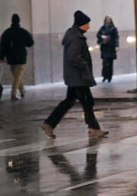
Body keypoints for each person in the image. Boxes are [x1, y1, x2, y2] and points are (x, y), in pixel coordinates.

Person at [42, 11, 107, 139]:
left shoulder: (75, 36)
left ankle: (49, 123)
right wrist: (84, 65)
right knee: (87, 101)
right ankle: (93, 128)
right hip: (78, 76)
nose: (88, 26)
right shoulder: (75, 38)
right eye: (87, 24)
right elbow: (73, 57)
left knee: (70, 101)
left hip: (76, 76)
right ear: (81, 24)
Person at [0, 13, 34, 101]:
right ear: (19, 21)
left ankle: (22, 91)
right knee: (17, 77)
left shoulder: (7, 32)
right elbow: (30, 43)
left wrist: (1, 57)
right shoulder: (23, 32)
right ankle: (13, 95)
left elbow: (2, 45)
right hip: (21, 57)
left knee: (16, 76)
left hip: (10, 57)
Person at [96, 15, 119, 82]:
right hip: (105, 47)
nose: (108, 20)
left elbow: (116, 38)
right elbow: (98, 35)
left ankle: (109, 76)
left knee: (110, 63)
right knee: (104, 62)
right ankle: (104, 76)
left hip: (111, 47)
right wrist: (102, 37)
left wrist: (116, 46)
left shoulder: (114, 28)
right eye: (107, 19)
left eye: (109, 19)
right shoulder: (102, 28)